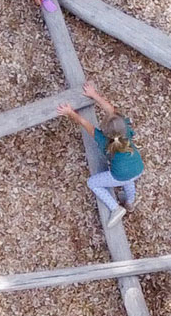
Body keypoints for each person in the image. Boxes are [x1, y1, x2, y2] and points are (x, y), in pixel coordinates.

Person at [57, 82, 144, 228]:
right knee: (129, 180)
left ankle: (115, 208)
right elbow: (111, 109)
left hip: (119, 175)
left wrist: (70, 112)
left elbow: (84, 122)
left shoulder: (104, 140)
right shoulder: (126, 130)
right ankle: (130, 202)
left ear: (105, 130)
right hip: (138, 168)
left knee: (92, 183)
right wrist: (94, 95)